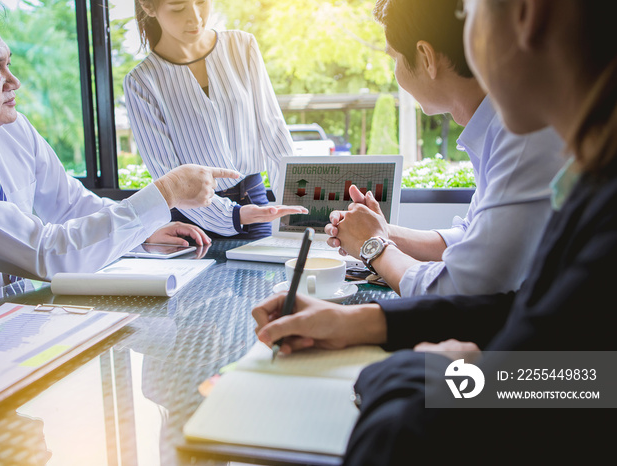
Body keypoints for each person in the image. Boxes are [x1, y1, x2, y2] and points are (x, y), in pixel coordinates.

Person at [253, 0, 617, 462]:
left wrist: (426, 368)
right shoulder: (592, 181)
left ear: (528, 13)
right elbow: (540, 326)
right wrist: (363, 322)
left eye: (470, 10)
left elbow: (575, 384)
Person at [0, 0, 242, 313]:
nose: (14, 82)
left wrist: (142, 231)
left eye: (9, 64)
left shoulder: (10, 129)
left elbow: (71, 205)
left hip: (16, 323)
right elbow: (48, 254)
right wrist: (166, 192)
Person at [325, 0, 564, 297]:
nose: (396, 73)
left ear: (426, 57)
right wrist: (380, 230)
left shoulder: (523, 134)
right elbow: (471, 237)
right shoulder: (496, 129)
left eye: (395, 58)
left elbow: (463, 285)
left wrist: (373, 246)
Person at [124, 0, 307, 240]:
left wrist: (298, 212)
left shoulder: (242, 46)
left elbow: (274, 133)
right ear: (148, 6)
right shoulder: (141, 82)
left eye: (201, 2)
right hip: (192, 222)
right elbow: (166, 172)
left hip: (256, 204)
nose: (196, 17)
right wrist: (234, 215)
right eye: (178, 7)